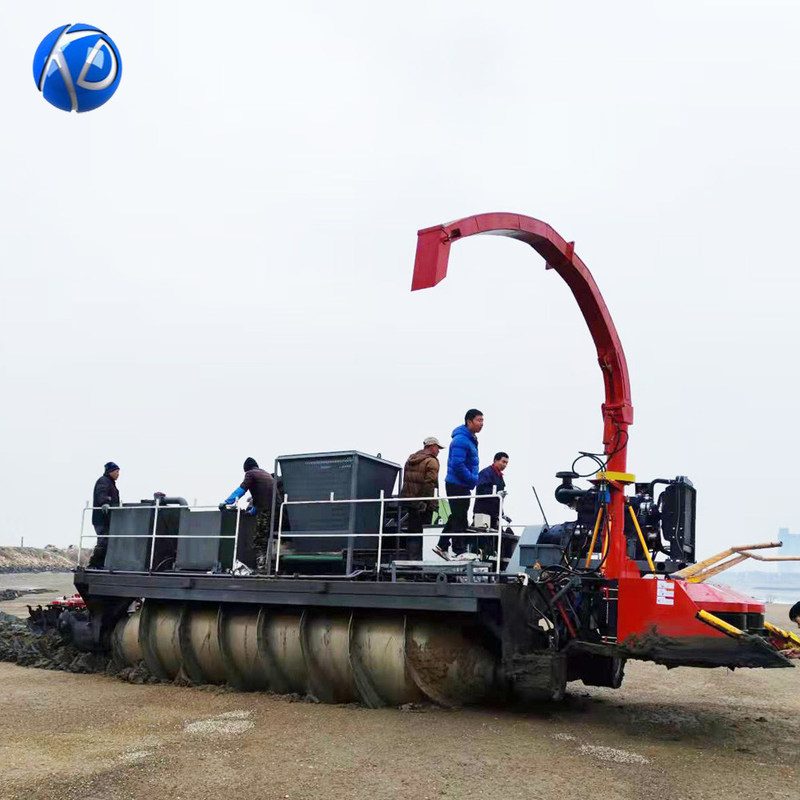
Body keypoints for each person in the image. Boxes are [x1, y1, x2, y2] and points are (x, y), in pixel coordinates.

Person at [434, 409, 483, 560]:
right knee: (459, 516)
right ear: (469, 422)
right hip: (457, 483)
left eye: (482, 420)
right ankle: (458, 549)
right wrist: (471, 479)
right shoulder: (461, 440)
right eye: (479, 420)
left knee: (459, 515)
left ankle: (442, 544)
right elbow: (457, 464)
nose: (482, 424)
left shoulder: (469, 439)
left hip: (462, 484)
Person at [221, 457, 277, 570]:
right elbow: (262, 496)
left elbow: (241, 489)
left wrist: (226, 502)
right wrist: (252, 511)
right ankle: (266, 565)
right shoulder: (265, 474)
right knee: (266, 537)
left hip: (267, 510)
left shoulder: (251, 474)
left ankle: (262, 567)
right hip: (277, 509)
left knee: (259, 539)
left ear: (246, 469)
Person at [400, 436, 445, 560]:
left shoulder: (410, 460)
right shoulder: (432, 461)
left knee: (413, 531)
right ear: (431, 447)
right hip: (424, 503)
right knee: (425, 532)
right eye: (437, 448)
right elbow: (430, 483)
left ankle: (411, 559)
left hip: (409, 501)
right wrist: (426, 501)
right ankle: (420, 560)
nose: (439, 451)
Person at [473, 452, 509, 557]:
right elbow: (480, 490)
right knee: (481, 536)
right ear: (496, 460)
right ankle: (479, 554)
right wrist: (494, 494)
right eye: (503, 462)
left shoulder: (500, 477)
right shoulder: (486, 473)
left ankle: (491, 556)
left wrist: (501, 513)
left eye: (506, 463)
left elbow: (499, 499)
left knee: (494, 537)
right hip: (483, 511)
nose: (505, 465)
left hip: (494, 513)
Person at [89, 461, 120, 569]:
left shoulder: (111, 483)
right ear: (110, 471)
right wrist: (104, 503)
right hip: (101, 519)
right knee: (103, 541)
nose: (118, 474)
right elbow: (101, 493)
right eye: (116, 471)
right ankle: (94, 564)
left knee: (107, 541)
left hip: (109, 519)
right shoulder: (103, 481)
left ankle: (102, 564)